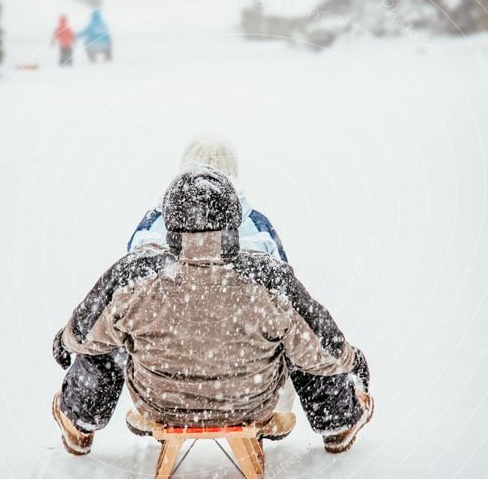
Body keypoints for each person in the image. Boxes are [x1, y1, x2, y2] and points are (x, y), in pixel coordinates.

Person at [51, 167, 373, 457]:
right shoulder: (270, 278)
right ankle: (339, 420)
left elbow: (81, 333)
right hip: (248, 403)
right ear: (234, 224)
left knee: (106, 338)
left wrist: (63, 343)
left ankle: (80, 420)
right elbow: (325, 349)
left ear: (171, 228)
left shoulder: (134, 275)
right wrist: (353, 359)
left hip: (160, 404)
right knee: (303, 341)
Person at [128, 135, 288, 261]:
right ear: (232, 170)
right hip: (239, 301)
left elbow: (129, 280)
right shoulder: (258, 226)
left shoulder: (152, 224)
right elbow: (283, 288)